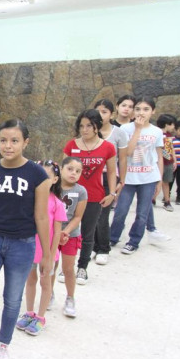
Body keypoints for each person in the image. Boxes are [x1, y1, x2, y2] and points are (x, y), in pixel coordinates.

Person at [0, 119, 51, 359]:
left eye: (15, 140)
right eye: (3, 140)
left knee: (12, 299)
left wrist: (47, 255)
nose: (8, 146)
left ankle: (3, 344)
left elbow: (42, 217)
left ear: (25, 142)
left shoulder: (38, 175)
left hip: (22, 244)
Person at [110, 96, 171, 255]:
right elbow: (127, 153)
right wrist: (137, 129)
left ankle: (133, 241)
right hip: (128, 178)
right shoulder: (125, 129)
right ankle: (113, 237)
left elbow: (158, 156)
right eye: (137, 109)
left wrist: (159, 179)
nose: (141, 113)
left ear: (153, 111)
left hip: (149, 178)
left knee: (142, 213)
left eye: (146, 109)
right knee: (120, 211)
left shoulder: (157, 131)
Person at [61, 109, 116, 285]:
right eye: (81, 126)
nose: (84, 130)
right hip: (71, 196)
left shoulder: (108, 147)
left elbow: (112, 172)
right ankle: (65, 268)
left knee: (88, 233)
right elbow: (63, 169)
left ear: (97, 126)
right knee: (67, 229)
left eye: (89, 126)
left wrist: (112, 194)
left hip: (94, 196)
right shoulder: (71, 145)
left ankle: (82, 267)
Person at [16, 161, 65, 336]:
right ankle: (29, 312)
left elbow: (57, 232)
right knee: (30, 281)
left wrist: (50, 256)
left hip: (47, 253)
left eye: (46, 176)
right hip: (29, 250)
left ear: (55, 179)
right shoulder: (28, 200)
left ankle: (41, 317)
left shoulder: (57, 203)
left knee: (46, 283)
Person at [91, 99, 128, 266]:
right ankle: (93, 245)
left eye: (104, 111)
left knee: (103, 214)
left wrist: (122, 180)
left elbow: (122, 159)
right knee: (91, 214)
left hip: (108, 178)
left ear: (111, 114)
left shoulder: (118, 133)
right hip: (90, 177)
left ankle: (103, 249)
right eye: (97, 111)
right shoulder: (89, 131)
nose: (100, 115)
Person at [55, 157, 87, 317]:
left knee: (68, 269)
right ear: (61, 169)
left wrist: (65, 232)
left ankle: (70, 298)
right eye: (70, 169)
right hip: (52, 234)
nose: (73, 173)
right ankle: (49, 294)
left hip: (70, 235)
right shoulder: (51, 188)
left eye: (78, 171)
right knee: (49, 268)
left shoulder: (81, 191)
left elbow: (77, 216)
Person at [155, 114, 177, 211]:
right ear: (166, 124)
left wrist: (174, 161)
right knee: (155, 183)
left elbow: (171, 149)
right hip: (157, 163)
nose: (174, 127)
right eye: (173, 125)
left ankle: (167, 201)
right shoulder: (156, 133)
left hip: (168, 163)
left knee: (166, 182)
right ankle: (152, 199)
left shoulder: (169, 136)